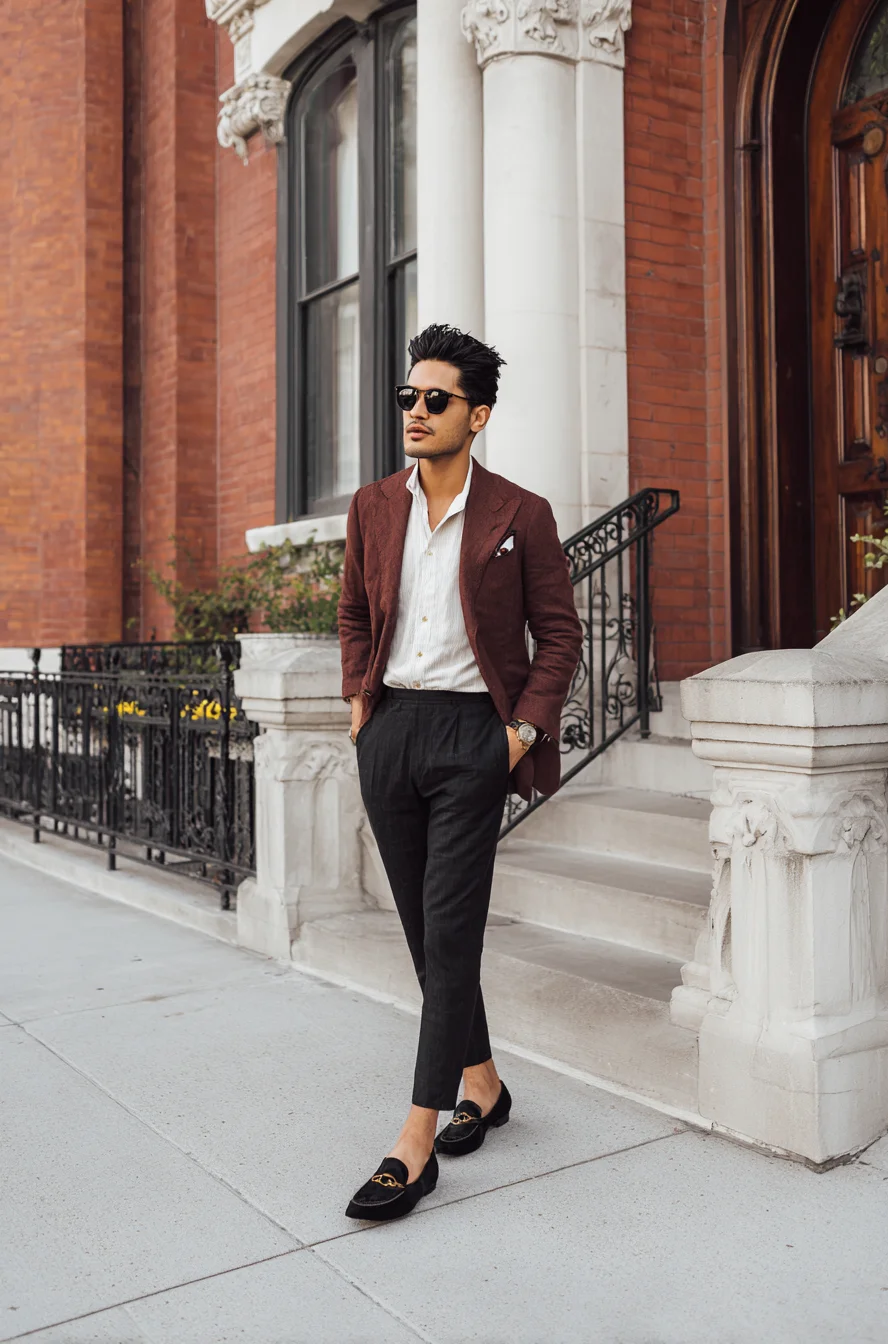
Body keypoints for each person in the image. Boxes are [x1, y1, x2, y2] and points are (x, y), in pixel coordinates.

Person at [338, 323, 583, 1222]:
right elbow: (355, 614)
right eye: (408, 396)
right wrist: (360, 707)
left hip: (473, 741)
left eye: (435, 399)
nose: (415, 410)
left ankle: (414, 1143)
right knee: (423, 935)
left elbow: (559, 635)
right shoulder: (372, 507)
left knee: (449, 937)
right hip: (393, 731)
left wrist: (519, 733)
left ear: (476, 416)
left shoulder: (522, 513)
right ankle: (483, 1084)